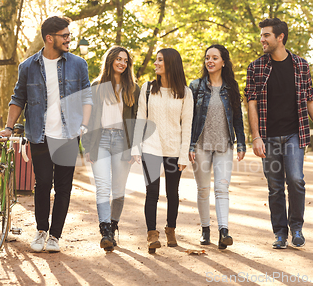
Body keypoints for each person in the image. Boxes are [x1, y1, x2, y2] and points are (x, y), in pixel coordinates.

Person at [0, 16, 92, 252]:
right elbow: (18, 98)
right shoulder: (28, 66)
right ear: (50, 38)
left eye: (69, 35)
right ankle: (41, 230)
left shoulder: (78, 64)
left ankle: (55, 237)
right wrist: (9, 127)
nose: (69, 39)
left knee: (63, 187)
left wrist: (84, 126)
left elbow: (87, 97)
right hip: (39, 135)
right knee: (42, 184)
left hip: (69, 134)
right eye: (65, 35)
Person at [245, 18, 313, 249]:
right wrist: (255, 136)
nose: (261, 39)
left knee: (295, 180)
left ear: (280, 37)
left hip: (295, 134)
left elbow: (310, 99)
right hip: (268, 136)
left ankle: (297, 228)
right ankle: (280, 233)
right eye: (261, 35)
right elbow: (251, 103)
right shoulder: (256, 67)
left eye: (266, 35)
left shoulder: (301, 65)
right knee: (274, 186)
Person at [131, 48, 193, 254]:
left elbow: (187, 126)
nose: (155, 63)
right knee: (152, 192)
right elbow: (140, 118)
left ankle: (170, 229)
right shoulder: (148, 88)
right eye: (156, 60)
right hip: (151, 147)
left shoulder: (185, 92)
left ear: (171, 64)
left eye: (160, 60)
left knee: (172, 193)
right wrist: (136, 147)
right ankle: (151, 234)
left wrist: (184, 154)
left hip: (174, 149)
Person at [188, 44, 246, 249]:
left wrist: (241, 143)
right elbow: (188, 119)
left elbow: (237, 117)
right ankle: (205, 229)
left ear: (223, 62)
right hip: (201, 145)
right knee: (203, 189)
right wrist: (190, 146)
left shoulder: (232, 87)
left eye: (214, 58)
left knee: (222, 188)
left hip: (224, 145)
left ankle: (224, 231)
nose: (210, 61)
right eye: (207, 58)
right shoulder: (195, 87)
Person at [83, 46, 139, 252]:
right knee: (103, 187)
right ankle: (105, 230)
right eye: (118, 59)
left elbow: (137, 120)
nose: (122, 63)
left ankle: (113, 225)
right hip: (101, 140)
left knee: (118, 191)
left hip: (123, 142)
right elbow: (88, 120)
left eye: (126, 60)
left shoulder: (133, 88)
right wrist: (87, 146)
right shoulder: (96, 86)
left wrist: (135, 148)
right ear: (110, 61)